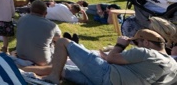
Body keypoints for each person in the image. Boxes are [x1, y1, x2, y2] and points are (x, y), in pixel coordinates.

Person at [43, 29, 177, 85]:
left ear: (146, 43)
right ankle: (40, 73)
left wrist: (120, 44)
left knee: (62, 42)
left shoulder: (146, 52)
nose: (135, 46)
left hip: (105, 74)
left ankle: (53, 78)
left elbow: (111, 59)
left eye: (136, 42)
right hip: (110, 82)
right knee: (63, 70)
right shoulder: (173, 65)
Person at [16, 0, 62, 66]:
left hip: (21, 55)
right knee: (58, 42)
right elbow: (58, 39)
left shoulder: (21, 19)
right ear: (45, 13)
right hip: (42, 61)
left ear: (30, 10)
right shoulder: (52, 26)